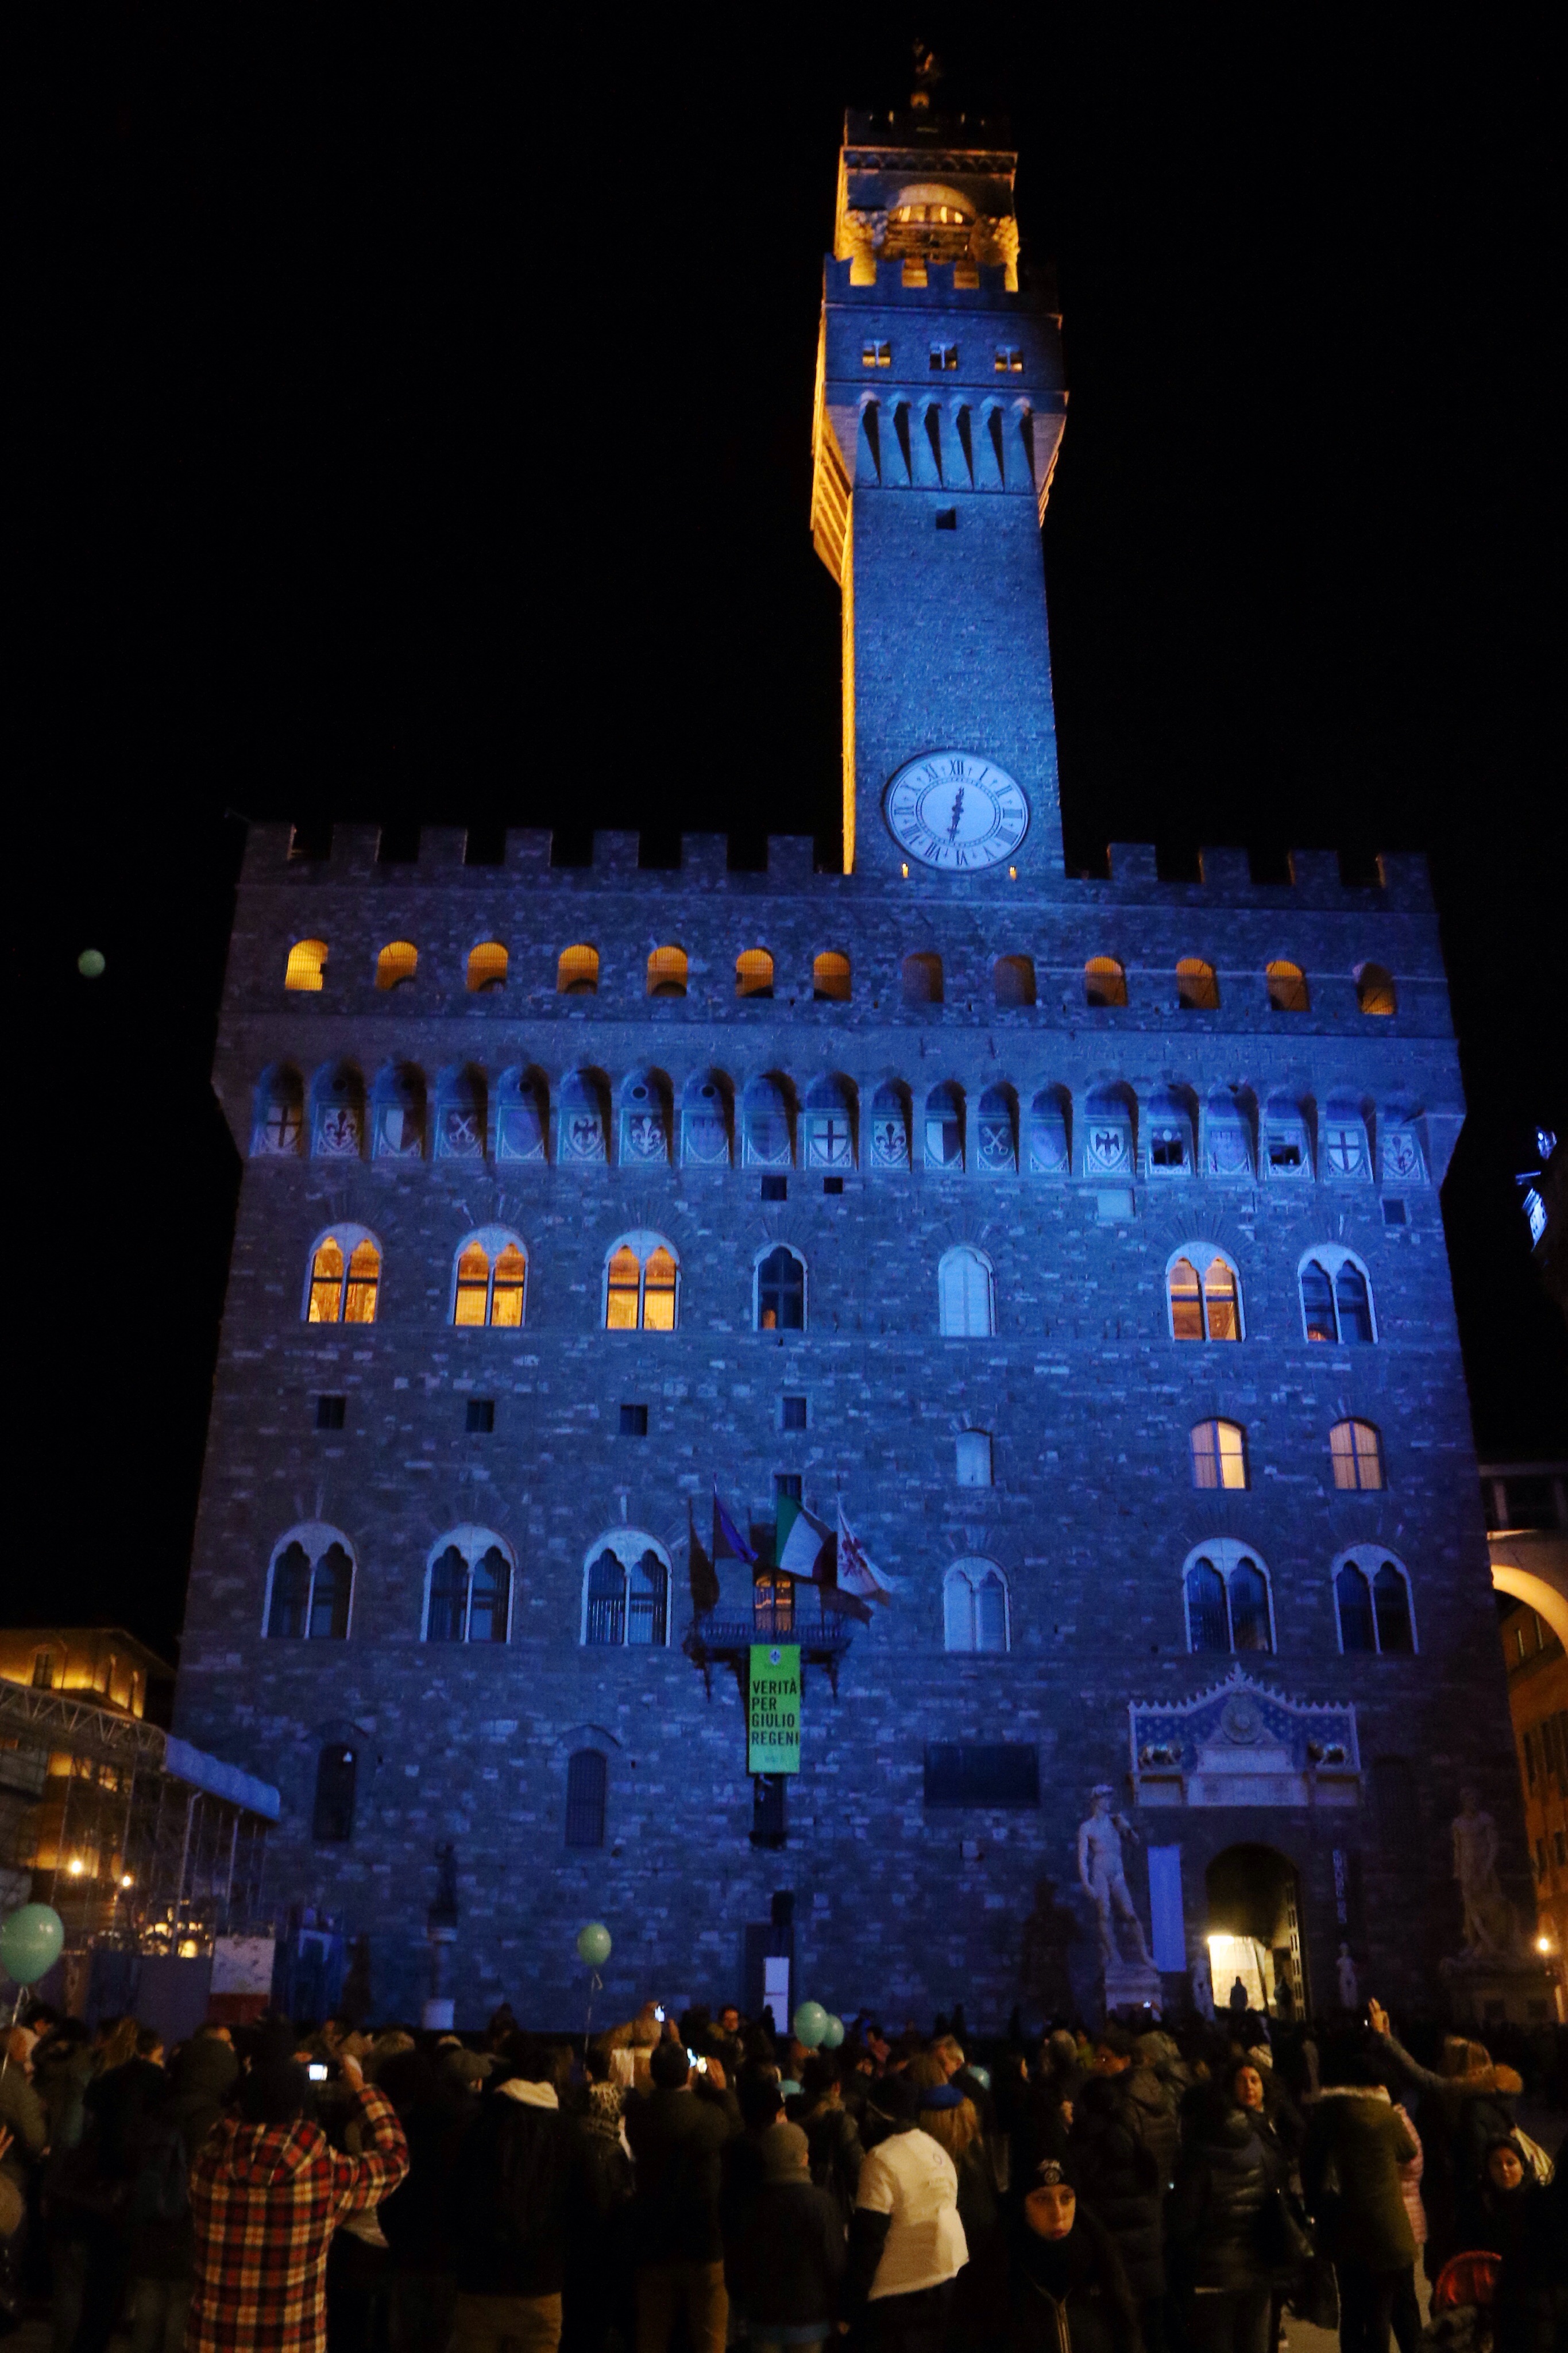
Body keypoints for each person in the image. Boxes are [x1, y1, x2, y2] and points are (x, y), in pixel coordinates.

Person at [186, 2039, 408, 2353]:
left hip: (214, 2339)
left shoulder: (206, 2167)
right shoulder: (323, 2175)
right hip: (292, 2341)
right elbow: (395, 2157)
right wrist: (361, 2088)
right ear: (300, 2108)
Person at [447, 2032, 589, 2353]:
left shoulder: (477, 2126)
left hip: (480, 2284)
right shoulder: (567, 2132)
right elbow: (591, 2208)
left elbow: (455, 2199)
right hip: (541, 2284)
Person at [1365, 2000, 1522, 2276]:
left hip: (1461, 2210)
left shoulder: (1467, 2103)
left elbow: (1419, 2076)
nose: (1439, 2063)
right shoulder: (1491, 2099)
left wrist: (1385, 2039)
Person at [624, 2037, 739, 2353]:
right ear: (690, 2074)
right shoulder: (710, 2117)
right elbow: (734, 2127)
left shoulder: (640, 2118)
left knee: (652, 2335)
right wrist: (720, 2090)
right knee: (710, 2337)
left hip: (654, 2241)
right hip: (703, 2240)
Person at [1299, 2049, 1416, 2353]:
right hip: (1387, 2229)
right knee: (1382, 2311)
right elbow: (1408, 2151)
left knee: (1352, 2310)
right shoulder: (1383, 2115)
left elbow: (1310, 2164)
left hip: (1341, 2228)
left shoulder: (1325, 2116)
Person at [843, 2074, 968, 2353]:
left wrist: (849, 2307)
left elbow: (868, 2239)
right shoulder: (935, 2148)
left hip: (900, 2293)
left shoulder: (881, 2159)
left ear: (877, 2117)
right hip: (948, 2276)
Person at [1070, 2028, 1166, 2353]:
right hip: (1148, 2228)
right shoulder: (1153, 2091)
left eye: (1105, 2058)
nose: (1098, 2064)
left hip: (1122, 2242)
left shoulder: (1120, 2107)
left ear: (1125, 2060)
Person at [1166, 2081, 1277, 2353]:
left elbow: (1184, 2224)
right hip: (1257, 2269)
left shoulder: (1197, 2157)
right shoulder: (1257, 2142)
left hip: (1212, 2276)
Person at [725, 2120, 844, 2353]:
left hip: (763, 2318)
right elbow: (835, 2262)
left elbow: (738, 2262)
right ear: (802, 2157)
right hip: (811, 2319)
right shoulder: (820, 2203)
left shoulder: (752, 2204)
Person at [1005, 2158, 1141, 2353]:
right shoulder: (999, 2277)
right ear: (1022, 2205)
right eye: (1042, 2199)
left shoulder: (1100, 2265)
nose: (1058, 2213)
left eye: (1066, 2198)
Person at [800, 2054, 864, 2228]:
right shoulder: (839, 2122)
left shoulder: (790, 2113)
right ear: (836, 2087)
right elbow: (856, 2171)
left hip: (797, 2201)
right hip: (831, 2205)